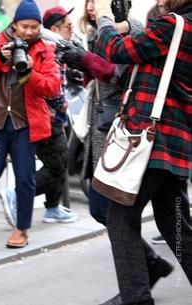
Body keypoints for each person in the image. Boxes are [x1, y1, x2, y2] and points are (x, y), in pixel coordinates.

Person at [58, 1, 175, 299]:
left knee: (119, 212)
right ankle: (148, 268)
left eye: (99, 2)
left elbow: (120, 73)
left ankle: (139, 284)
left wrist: (84, 58)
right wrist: (75, 59)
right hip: (104, 127)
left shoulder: (135, 30)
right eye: (90, 2)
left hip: (126, 129)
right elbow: (94, 80)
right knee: (109, 210)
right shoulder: (96, 33)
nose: (93, 7)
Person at [93, 0, 192, 304]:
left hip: (151, 140)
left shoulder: (174, 26)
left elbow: (118, 53)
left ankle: (136, 298)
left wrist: (105, 20)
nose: (161, 1)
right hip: (176, 143)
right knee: (176, 225)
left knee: (121, 217)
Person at [0, 0, 61, 248]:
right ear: (15, 24)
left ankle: (22, 229)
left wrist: (31, 74)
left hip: (26, 125)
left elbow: (52, 87)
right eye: (24, 26)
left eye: (34, 27)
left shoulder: (44, 50)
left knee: (25, 178)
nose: (29, 32)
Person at [0, 6, 78, 227]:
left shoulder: (58, 47)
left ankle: (52, 207)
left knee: (58, 163)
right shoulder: (47, 48)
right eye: (68, 26)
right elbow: (51, 88)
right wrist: (61, 108)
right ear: (54, 28)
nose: (71, 30)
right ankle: (17, 195)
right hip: (47, 116)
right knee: (56, 165)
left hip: (53, 116)